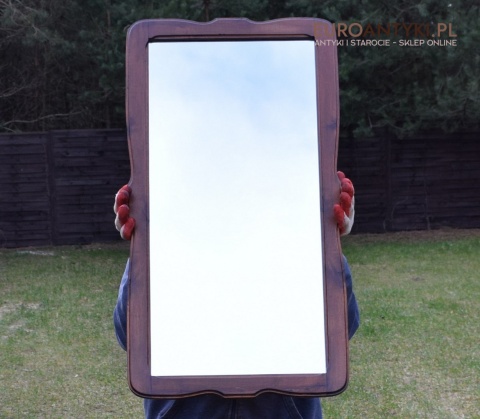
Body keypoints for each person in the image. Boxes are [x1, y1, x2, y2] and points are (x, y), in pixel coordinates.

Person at [113, 172, 359, 419]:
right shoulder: (173, 248)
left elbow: (337, 334)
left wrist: (326, 244)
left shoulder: (290, 247)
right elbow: (131, 338)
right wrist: (143, 247)